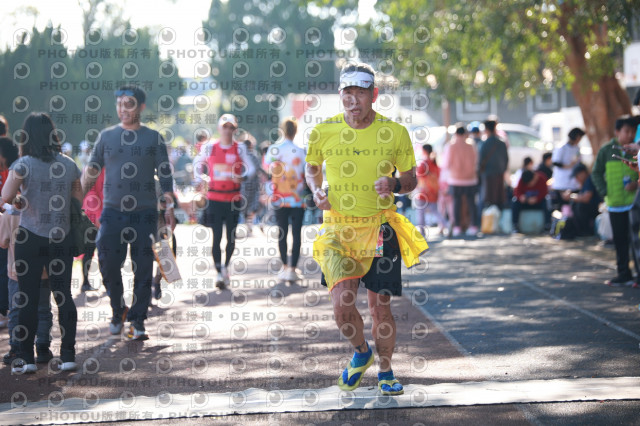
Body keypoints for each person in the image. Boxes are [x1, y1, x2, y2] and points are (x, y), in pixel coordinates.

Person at [305, 63, 428, 396]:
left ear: (374, 94)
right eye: (347, 93)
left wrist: (393, 183)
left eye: (360, 93)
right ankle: (361, 351)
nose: (353, 100)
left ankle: (386, 371)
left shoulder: (395, 132)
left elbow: (411, 179)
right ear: (340, 95)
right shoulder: (323, 131)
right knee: (341, 305)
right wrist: (316, 190)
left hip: (379, 228)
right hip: (338, 230)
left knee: (379, 307)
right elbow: (312, 168)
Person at [82, 85, 175, 340]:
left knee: (143, 268)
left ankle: (138, 320)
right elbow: (92, 170)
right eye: (120, 104)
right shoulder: (106, 137)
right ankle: (117, 309)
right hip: (112, 212)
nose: (123, 109)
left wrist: (169, 204)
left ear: (141, 107)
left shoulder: (153, 138)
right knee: (107, 261)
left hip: (145, 214)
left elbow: (165, 174)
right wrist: (75, 200)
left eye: (129, 104)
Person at [2, 112, 81, 373]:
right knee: (63, 295)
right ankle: (68, 354)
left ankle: (26, 359)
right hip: (61, 237)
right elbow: (77, 200)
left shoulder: (23, 164)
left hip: (30, 238)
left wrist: (20, 201)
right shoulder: (69, 164)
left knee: (27, 297)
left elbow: (6, 197)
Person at [192, 114, 256, 289]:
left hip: (233, 198)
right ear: (219, 128)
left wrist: (242, 177)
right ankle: (219, 272)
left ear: (234, 129)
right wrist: (200, 179)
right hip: (214, 198)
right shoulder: (210, 147)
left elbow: (251, 168)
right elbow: (197, 161)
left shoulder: (239, 148)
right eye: (225, 127)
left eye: (231, 127)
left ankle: (226, 266)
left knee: (231, 237)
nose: (228, 130)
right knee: (216, 236)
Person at [591, 116, 639, 287]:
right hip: (615, 204)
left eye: (633, 131)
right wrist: (605, 191)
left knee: (636, 241)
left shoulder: (636, 151)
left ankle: (638, 276)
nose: (630, 135)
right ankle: (624, 274)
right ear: (617, 131)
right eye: (627, 131)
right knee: (620, 241)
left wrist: (636, 184)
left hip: (634, 204)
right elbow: (596, 173)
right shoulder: (606, 150)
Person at [264, 117, 307, 283]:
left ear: (282, 130)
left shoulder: (275, 149)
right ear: (295, 131)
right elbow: (307, 171)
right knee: (296, 233)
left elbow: (267, 166)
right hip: (297, 198)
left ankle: (284, 267)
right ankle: (293, 269)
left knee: (282, 232)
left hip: (280, 198)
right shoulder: (301, 150)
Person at [441, 124, 479, 237]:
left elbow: (445, 164)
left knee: (456, 204)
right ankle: (473, 226)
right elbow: (476, 161)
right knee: (471, 203)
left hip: (455, 179)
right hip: (470, 179)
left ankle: (457, 227)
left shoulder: (450, 146)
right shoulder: (471, 145)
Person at [80, 168, 104, 292]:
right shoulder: (95, 169)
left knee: (94, 251)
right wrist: (98, 217)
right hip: (94, 217)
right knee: (92, 251)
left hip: (97, 215)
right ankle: (86, 282)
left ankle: (88, 282)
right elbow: (91, 195)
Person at [414, 144, 446, 236]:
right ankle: (446, 225)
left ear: (424, 151)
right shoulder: (434, 163)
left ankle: (422, 232)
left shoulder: (423, 163)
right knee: (435, 211)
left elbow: (418, 175)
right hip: (433, 191)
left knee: (421, 213)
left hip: (423, 191)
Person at [562, 163, 602, 236]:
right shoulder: (585, 182)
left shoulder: (589, 179)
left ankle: (586, 231)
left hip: (597, 208)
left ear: (583, 173)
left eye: (577, 176)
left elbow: (586, 198)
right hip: (593, 208)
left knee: (580, 206)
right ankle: (581, 230)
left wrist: (571, 196)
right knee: (575, 204)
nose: (576, 179)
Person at [478, 119, 508, 210]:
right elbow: (506, 159)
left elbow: (480, 160)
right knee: (499, 200)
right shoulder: (502, 143)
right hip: (499, 175)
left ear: (486, 129)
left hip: (487, 175)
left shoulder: (484, 144)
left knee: (487, 200)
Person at [550, 128, 584, 210]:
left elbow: (579, 160)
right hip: (562, 180)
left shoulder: (577, 148)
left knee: (572, 205)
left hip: (573, 181)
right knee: (562, 205)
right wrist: (568, 166)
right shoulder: (562, 147)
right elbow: (555, 162)